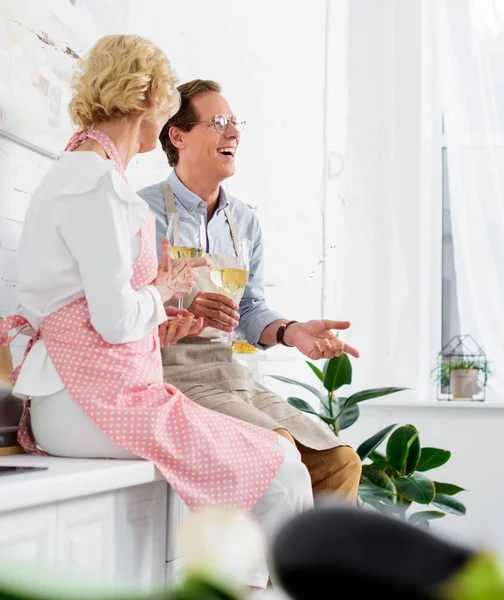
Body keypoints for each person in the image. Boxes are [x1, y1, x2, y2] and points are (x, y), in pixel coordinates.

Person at [0, 35, 312, 590]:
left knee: (282, 467)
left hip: (92, 390)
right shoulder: (94, 182)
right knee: (284, 472)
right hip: (94, 398)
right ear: (147, 102)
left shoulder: (87, 170)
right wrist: (164, 288)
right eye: (165, 100)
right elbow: (116, 321)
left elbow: (98, 308)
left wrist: (164, 309)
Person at [138, 79, 362, 502]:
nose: (234, 133)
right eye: (219, 122)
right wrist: (181, 304)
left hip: (229, 373)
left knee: (339, 461)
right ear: (177, 135)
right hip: (170, 376)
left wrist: (291, 331)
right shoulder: (139, 212)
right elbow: (122, 309)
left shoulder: (244, 222)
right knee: (280, 451)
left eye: (235, 122)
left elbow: (252, 307)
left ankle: (310, 571)